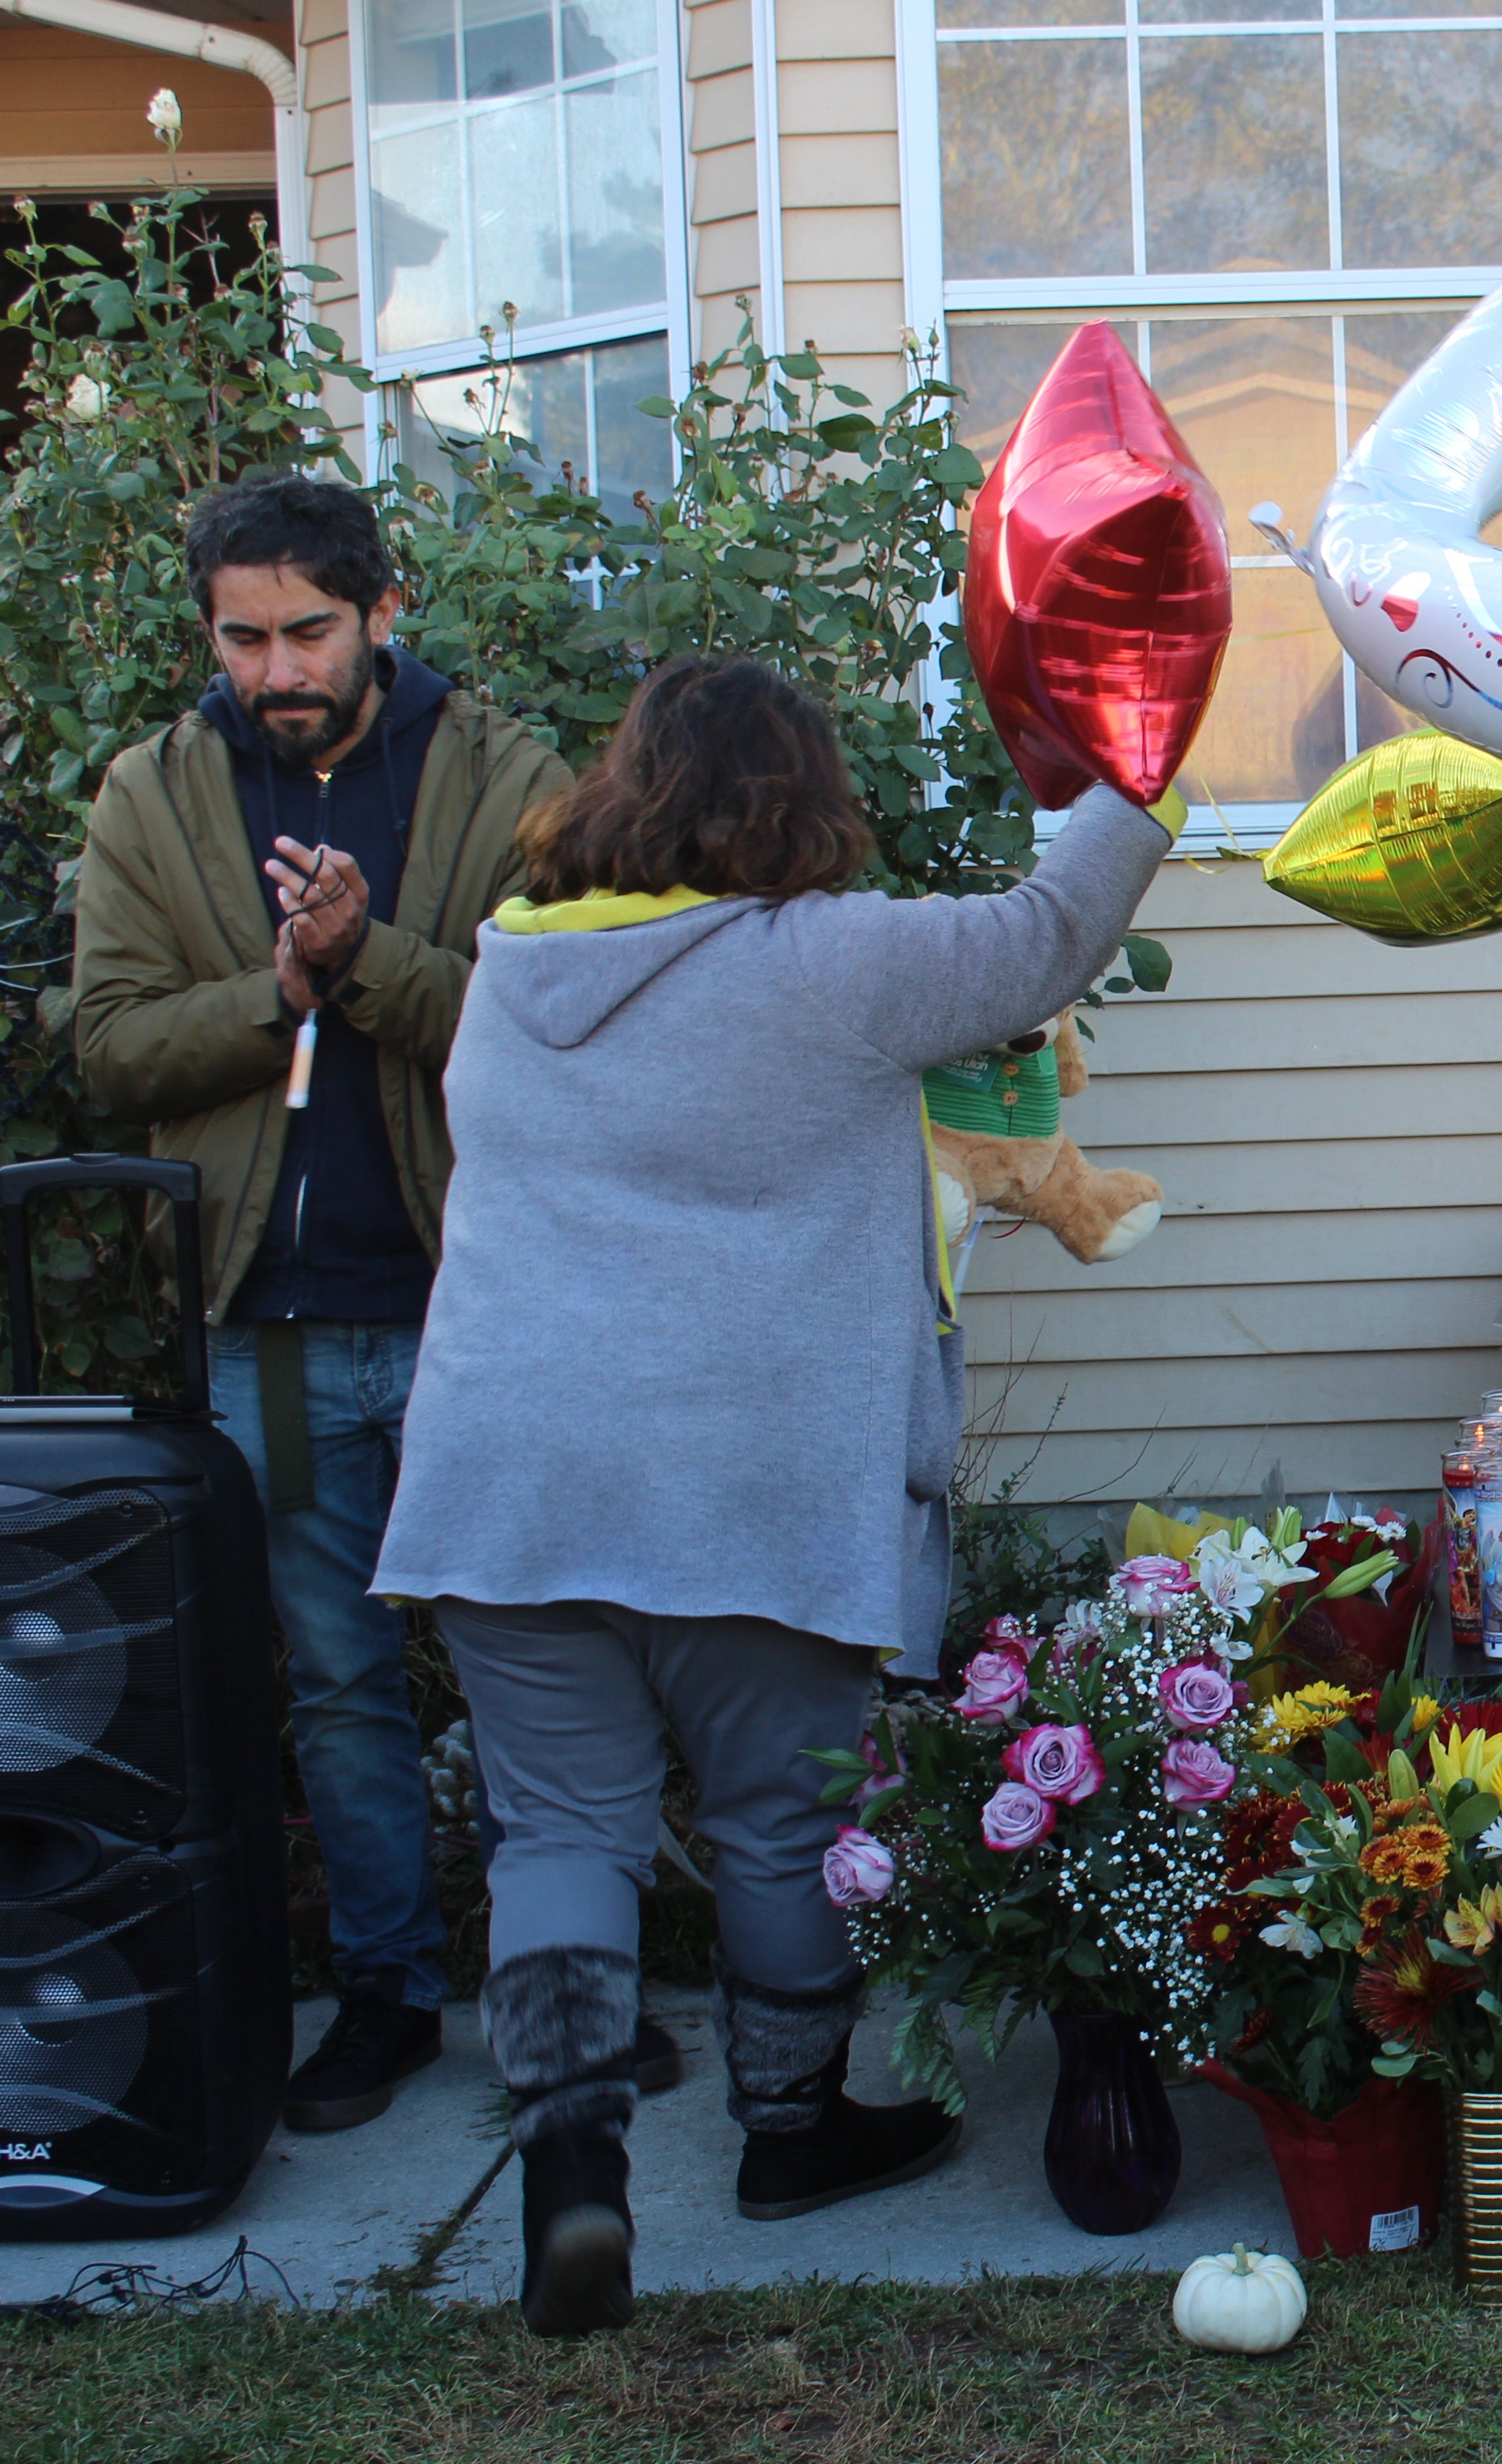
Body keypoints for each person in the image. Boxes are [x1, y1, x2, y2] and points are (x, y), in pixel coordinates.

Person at [369, 656, 1176, 2334]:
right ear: (801, 793)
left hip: (514, 1478)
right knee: (777, 1827)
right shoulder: (832, 961)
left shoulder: (514, 968)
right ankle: (792, 2134)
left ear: (621, 786)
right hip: (750, 1483)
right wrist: (1144, 771)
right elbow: (1046, 938)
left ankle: (573, 2174)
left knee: (558, 1835)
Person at [71, 471, 595, 2135]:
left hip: (479, 1305)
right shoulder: (150, 797)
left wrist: (363, 960)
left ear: (384, 611)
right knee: (338, 1678)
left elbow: (560, 1009)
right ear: (207, 632)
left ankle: (562, 1994)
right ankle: (382, 1995)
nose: (278, 666)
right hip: (269, 1327)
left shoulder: (508, 776)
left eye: (309, 629)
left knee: (540, 1663)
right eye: (244, 635)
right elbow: (106, 1048)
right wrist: (276, 987)